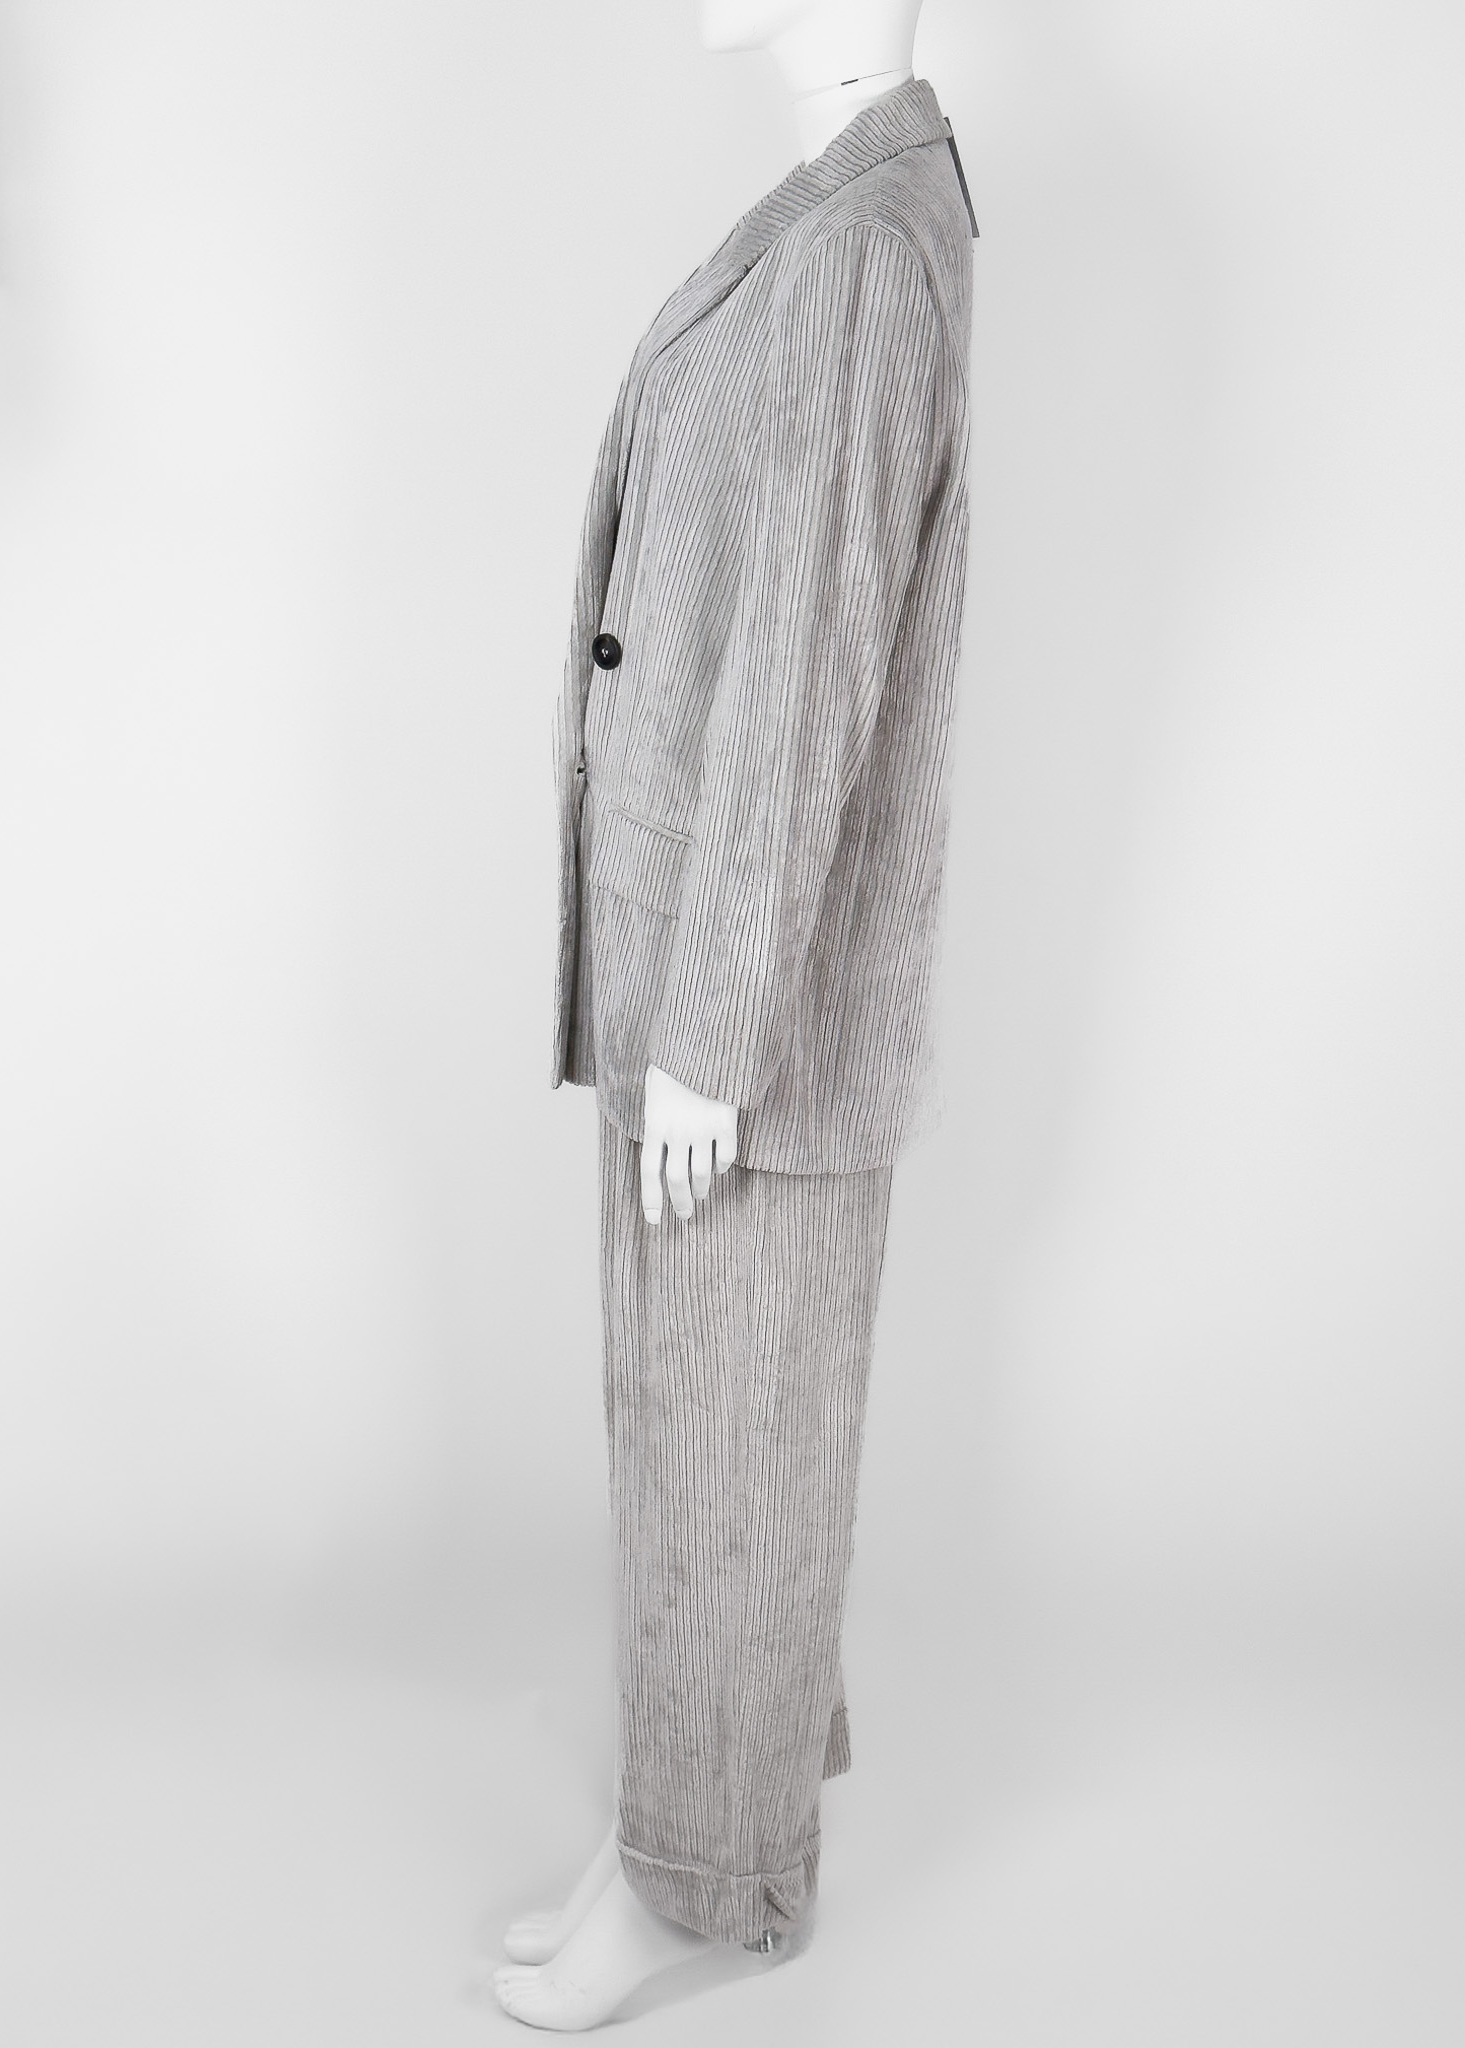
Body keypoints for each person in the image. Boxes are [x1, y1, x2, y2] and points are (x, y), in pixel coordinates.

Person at [495, 1, 975, 2028]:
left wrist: (713, 1023)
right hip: (695, 948)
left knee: (728, 1435)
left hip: (741, 1001)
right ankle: (690, 1832)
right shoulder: (842, 204)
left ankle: (706, 1876)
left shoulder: (865, 249)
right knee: (698, 1430)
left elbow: (807, 654)